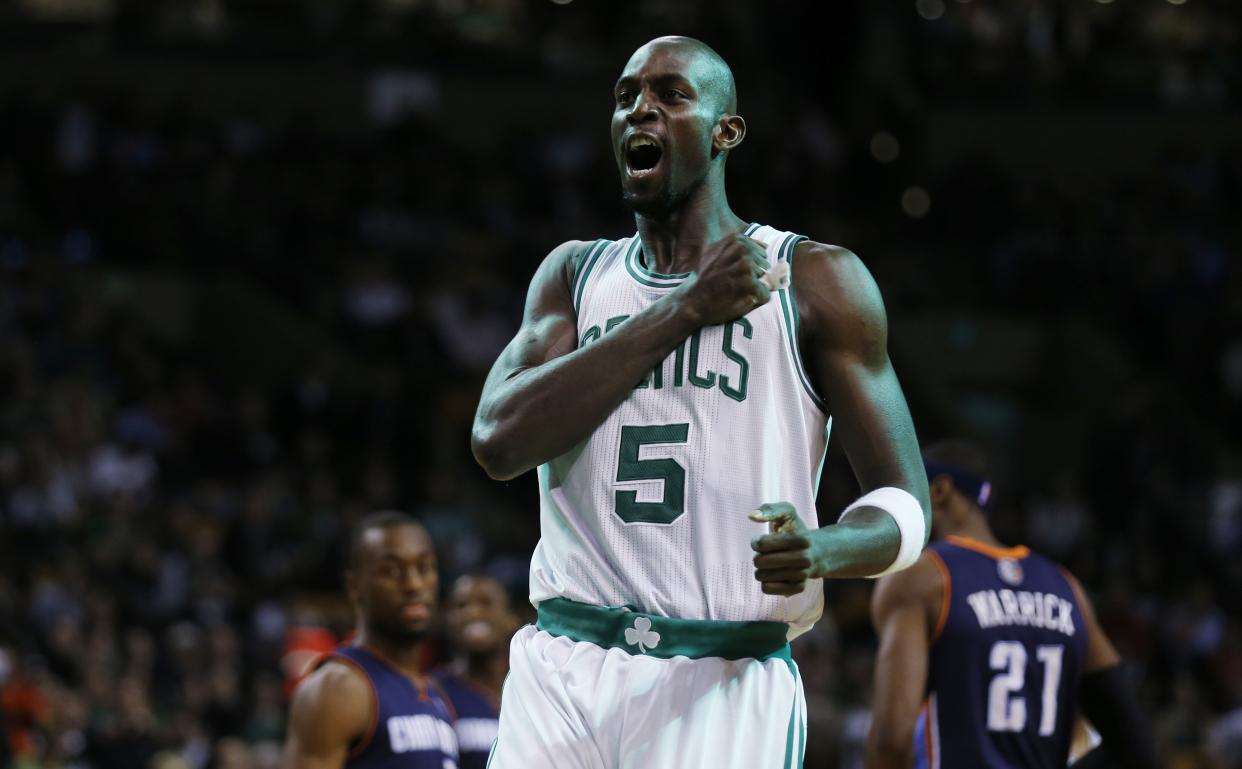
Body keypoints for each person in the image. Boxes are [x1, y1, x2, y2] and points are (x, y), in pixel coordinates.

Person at [472, 35, 930, 769]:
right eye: (625, 97)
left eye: (669, 96)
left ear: (727, 131)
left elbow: (907, 506)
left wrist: (824, 550)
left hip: (724, 672)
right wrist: (687, 306)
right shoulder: (574, 277)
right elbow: (497, 440)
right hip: (563, 662)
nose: (639, 110)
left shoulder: (813, 281)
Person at [864, 440, 1158, 769]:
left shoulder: (926, 577)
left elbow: (892, 742)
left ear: (940, 490)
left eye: (909, 495)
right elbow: (1133, 738)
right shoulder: (1064, 586)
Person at [282, 511, 459, 769]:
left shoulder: (434, 693)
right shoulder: (337, 688)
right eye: (392, 571)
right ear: (354, 586)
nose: (414, 584)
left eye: (425, 568)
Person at [432, 575, 519, 769]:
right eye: (461, 606)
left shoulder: (530, 691)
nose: (473, 613)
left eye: (485, 603)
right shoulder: (433, 691)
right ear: (447, 619)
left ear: (511, 619)